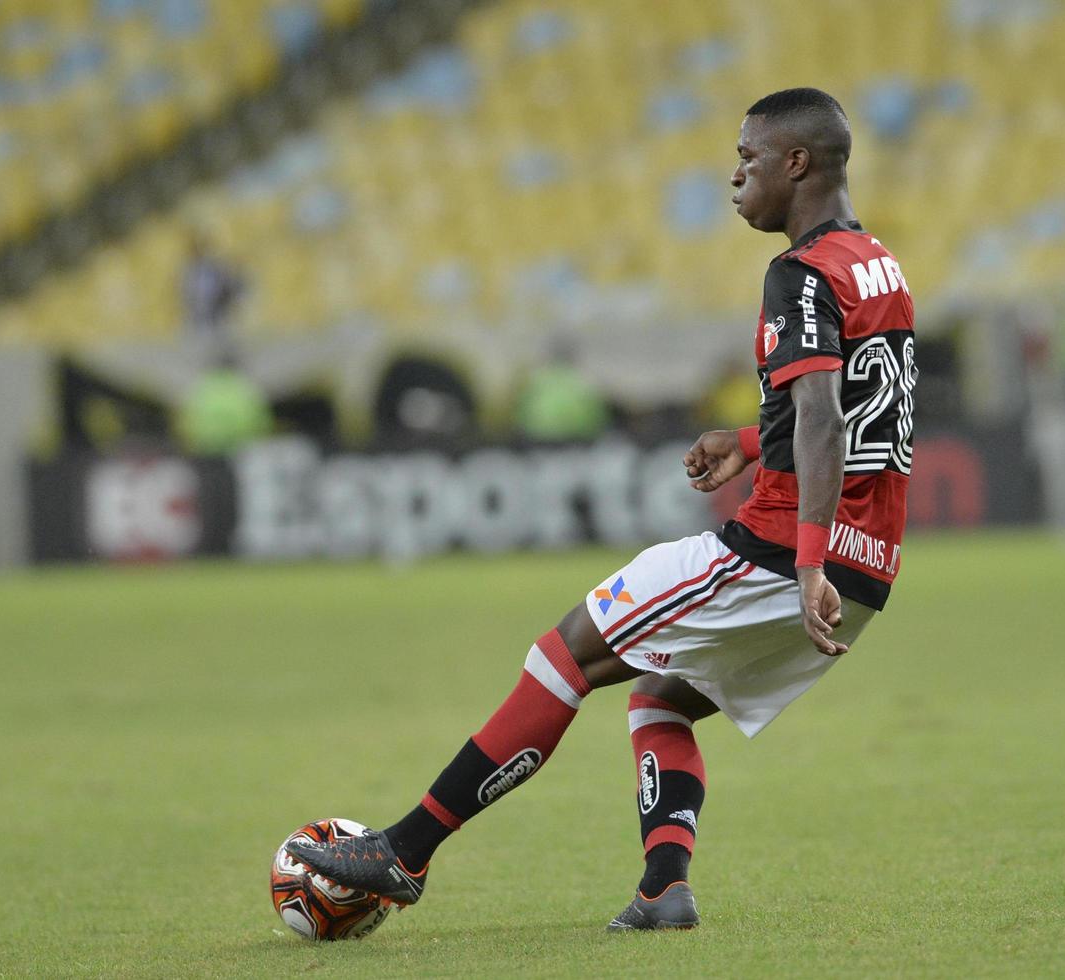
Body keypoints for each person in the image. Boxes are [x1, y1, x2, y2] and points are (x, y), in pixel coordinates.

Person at [287, 88, 917, 931]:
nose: (735, 177)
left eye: (749, 158)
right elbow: (865, 411)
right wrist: (746, 437)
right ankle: (665, 887)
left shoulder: (796, 274)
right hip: (867, 570)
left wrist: (804, 561)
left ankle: (403, 850)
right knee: (660, 696)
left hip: (782, 557)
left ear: (796, 162)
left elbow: (824, 417)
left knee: (564, 654)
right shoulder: (878, 264)